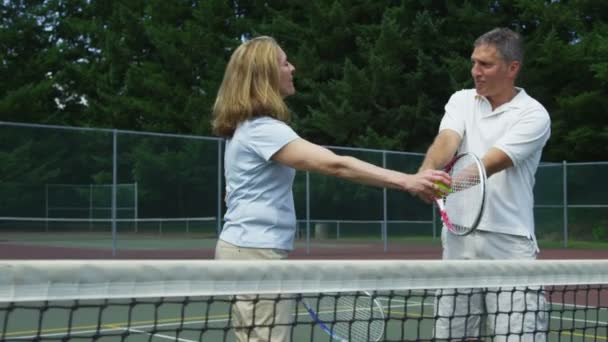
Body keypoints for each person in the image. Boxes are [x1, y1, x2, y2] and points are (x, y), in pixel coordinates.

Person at [211, 35, 451, 342]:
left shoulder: (244, 130)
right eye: (285, 63)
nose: (292, 68)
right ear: (267, 75)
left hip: (245, 251)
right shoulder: (262, 130)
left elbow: (231, 195)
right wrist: (407, 181)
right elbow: (337, 165)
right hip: (253, 255)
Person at [417, 28, 551, 341]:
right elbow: (447, 140)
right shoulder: (461, 100)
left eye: (486, 65)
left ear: (512, 68)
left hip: (510, 245)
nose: (475, 71)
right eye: (474, 62)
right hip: (457, 242)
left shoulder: (534, 115)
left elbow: (488, 164)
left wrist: (441, 187)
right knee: (450, 335)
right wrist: (427, 171)